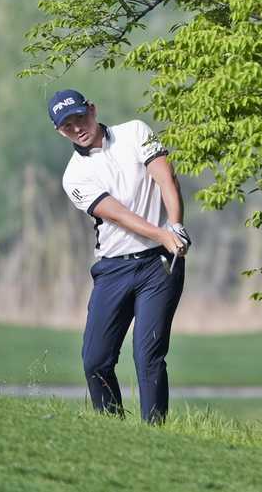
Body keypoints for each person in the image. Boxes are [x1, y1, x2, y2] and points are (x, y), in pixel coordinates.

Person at [48, 89, 190, 424]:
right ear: (60, 132)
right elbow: (119, 215)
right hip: (113, 270)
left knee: (148, 355)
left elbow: (166, 178)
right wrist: (162, 234)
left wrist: (176, 226)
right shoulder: (74, 176)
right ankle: (113, 431)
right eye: (67, 125)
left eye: (79, 117)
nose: (77, 128)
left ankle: (154, 434)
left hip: (159, 265)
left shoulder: (135, 132)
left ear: (92, 110)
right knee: (95, 361)